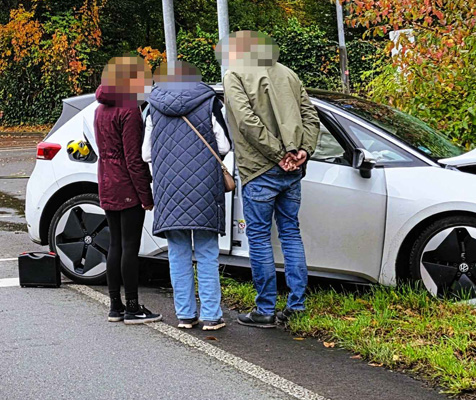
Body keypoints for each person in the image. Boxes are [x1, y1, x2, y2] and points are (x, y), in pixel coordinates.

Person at [222, 30, 321, 328]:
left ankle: (265, 309)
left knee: (260, 239)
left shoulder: (234, 75)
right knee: (291, 233)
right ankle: (297, 306)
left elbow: (246, 122)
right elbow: (311, 118)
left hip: (258, 168)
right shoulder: (289, 74)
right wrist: (302, 151)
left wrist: (278, 154)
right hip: (292, 171)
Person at [143, 61, 231, 331]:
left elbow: (146, 153)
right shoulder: (210, 102)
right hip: (205, 186)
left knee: (177, 253)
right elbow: (224, 145)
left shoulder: (152, 107)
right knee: (206, 253)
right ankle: (212, 316)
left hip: (168, 189)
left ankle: (185, 315)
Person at [93, 55, 161, 324]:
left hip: (107, 181)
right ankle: (133, 307)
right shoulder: (129, 110)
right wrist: (146, 195)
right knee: (130, 245)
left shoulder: (100, 108)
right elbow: (134, 159)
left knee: (115, 244)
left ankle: (115, 306)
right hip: (127, 185)